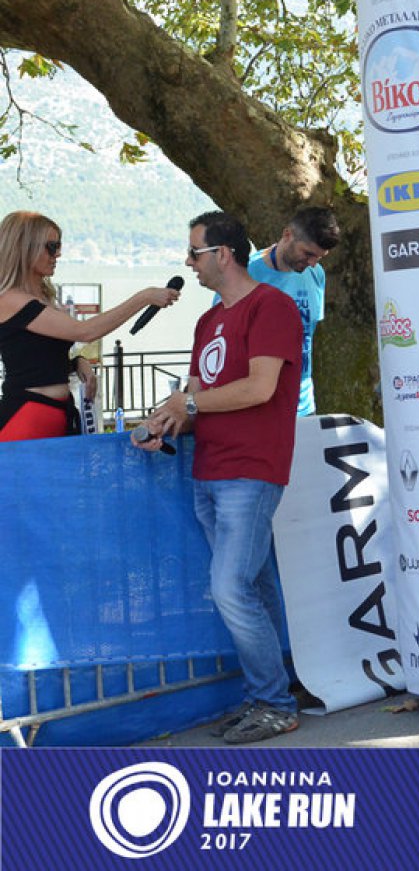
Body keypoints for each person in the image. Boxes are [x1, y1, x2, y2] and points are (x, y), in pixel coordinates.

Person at [134, 211, 303, 745]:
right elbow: (195, 398)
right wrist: (164, 423)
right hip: (209, 468)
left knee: (229, 588)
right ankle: (275, 691)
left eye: (195, 252)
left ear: (223, 254)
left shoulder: (272, 306)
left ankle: (275, 702)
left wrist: (186, 404)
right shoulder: (208, 322)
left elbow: (259, 388)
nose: (188, 262)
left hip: (251, 469)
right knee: (253, 586)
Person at [0, 211, 179, 441]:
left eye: (59, 246)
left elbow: (37, 359)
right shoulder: (11, 299)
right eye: (52, 247)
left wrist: (76, 362)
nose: (58, 254)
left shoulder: (41, 297)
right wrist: (144, 297)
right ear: (25, 248)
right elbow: (84, 331)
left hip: (56, 415)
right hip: (27, 418)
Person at [242, 207, 340, 416]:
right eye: (308, 254)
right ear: (287, 234)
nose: (312, 263)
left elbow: (309, 334)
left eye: (319, 257)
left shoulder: (316, 273)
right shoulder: (246, 275)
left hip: (303, 406)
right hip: (258, 407)